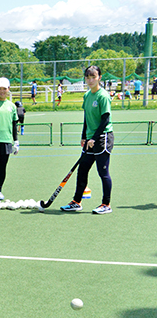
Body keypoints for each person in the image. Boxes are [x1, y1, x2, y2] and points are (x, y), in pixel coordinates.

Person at [61, 65, 114, 214]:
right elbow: (86, 118)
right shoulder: (87, 96)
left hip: (103, 137)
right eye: (88, 77)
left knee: (103, 172)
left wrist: (94, 139)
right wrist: (84, 137)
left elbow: (105, 119)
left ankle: (106, 204)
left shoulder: (103, 96)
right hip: (90, 138)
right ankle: (76, 202)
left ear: (99, 78)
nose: (90, 80)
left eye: (93, 77)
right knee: (82, 169)